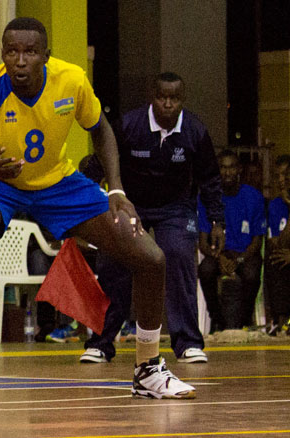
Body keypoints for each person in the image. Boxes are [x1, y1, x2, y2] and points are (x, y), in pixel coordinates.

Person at [0, 17, 196, 408]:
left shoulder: (71, 80)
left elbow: (101, 130)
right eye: (11, 52)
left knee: (151, 257)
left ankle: (148, 369)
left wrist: (117, 189)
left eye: (29, 52)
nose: (19, 60)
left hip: (59, 184)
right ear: (3, 54)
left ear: (46, 55)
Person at [80, 71, 224, 365]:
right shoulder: (129, 125)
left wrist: (217, 221)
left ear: (182, 100)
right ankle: (101, 342)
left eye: (174, 98)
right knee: (114, 263)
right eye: (162, 97)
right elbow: (99, 164)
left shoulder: (195, 131)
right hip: (130, 205)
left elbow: (210, 180)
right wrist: (81, 208)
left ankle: (187, 343)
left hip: (176, 207)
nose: (167, 104)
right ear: (152, 97)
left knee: (178, 256)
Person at [197, 150, 265, 331]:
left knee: (252, 274)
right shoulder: (207, 197)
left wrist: (238, 260)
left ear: (239, 169)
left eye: (231, 167)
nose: (227, 172)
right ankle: (217, 320)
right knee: (205, 270)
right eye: (222, 167)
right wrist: (220, 259)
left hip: (245, 254)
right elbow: (202, 242)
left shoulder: (254, 197)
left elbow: (257, 241)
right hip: (218, 253)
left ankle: (243, 323)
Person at [265, 154, 290, 335]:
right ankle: (280, 319)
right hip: (285, 256)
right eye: (278, 176)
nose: (282, 181)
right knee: (274, 258)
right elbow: (277, 244)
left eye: (286, 176)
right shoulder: (275, 205)